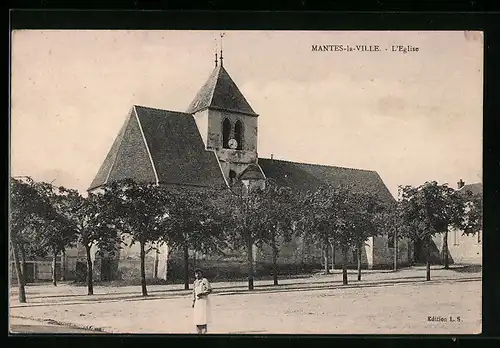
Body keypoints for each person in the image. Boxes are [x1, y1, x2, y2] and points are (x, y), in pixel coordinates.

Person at [192, 268, 212, 334]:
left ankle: (204, 332)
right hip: (197, 302)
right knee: (197, 318)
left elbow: (209, 290)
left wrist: (202, 294)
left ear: (201, 274)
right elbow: (194, 293)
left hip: (204, 301)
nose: (197, 275)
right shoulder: (195, 282)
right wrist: (193, 301)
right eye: (196, 274)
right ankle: (198, 332)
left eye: (198, 273)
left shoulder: (204, 280)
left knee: (203, 318)